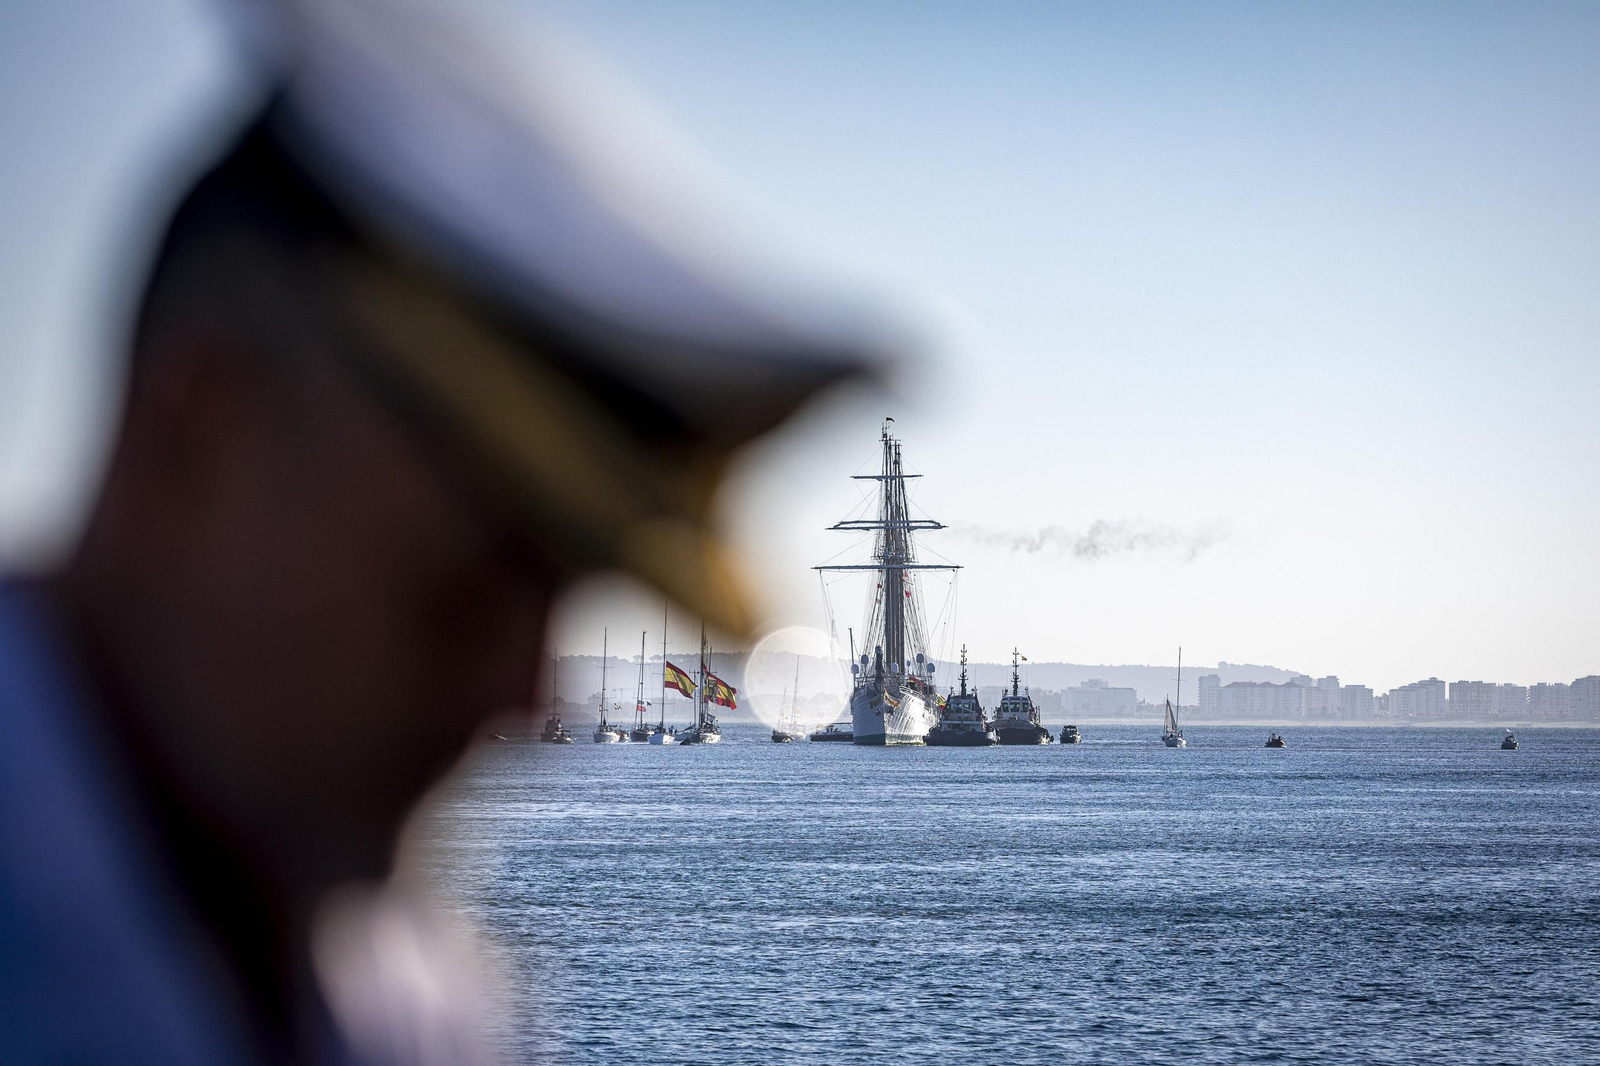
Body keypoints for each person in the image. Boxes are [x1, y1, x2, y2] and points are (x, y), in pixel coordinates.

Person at [0, 1, 896, 1062]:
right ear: (200, 430)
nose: (527, 701)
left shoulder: (428, 1012)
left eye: (563, 589)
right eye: (464, 588)